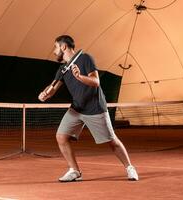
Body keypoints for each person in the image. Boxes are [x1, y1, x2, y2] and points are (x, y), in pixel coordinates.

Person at [38, 35, 138, 182]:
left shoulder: (85, 59)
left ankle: (130, 168)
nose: (54, 51)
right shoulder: (62, 69)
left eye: (56, 47)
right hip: (77, 109)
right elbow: (53, 87)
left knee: (111, 140)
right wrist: (45, 94)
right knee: (61, 136)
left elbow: (96, 81)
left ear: (63, 47)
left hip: (95, 108)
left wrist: (80, 77)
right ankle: (75, 171)